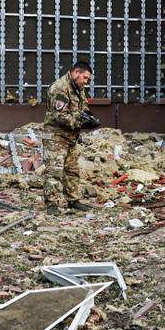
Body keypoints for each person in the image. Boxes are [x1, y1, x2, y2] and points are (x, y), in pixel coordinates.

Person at [42, 61, 100, 215]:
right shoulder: (59, 88)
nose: (86, 82)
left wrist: (89, 118)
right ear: (76, 72)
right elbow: (60, 116)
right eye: (85, 78)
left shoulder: (78, 87)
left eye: (87, 79)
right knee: (54, 172)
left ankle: (73, 200)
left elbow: (83, 107)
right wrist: (80, 123)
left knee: (72, 171)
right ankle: (51, 204)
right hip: (56, 137)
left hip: (71, 137)